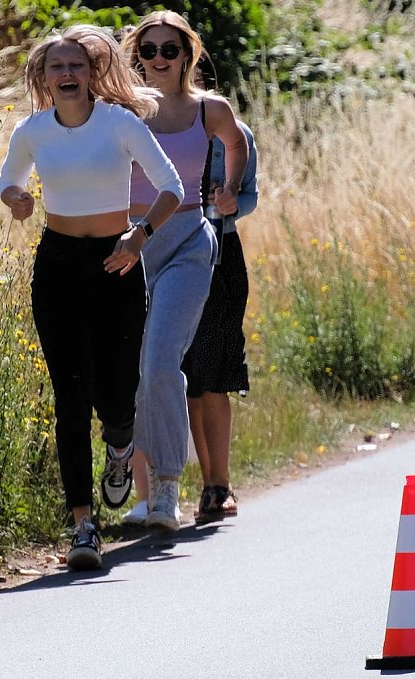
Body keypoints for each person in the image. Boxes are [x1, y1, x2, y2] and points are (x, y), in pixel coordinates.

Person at [0, 25, 183, 570]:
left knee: (118, 392)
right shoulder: (32, 131)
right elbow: (8, 180)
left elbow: (170, 186)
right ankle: (84, 527)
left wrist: (140, 235)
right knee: (70, 396)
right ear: (43, 77)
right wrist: (17, 199)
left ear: (92, 72)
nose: (67, 74)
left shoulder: (120, 123)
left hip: (117, 261)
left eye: (76, 65)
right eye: (57, 67)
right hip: (58, 265)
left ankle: (121, 447)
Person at [118, 12, 248, 532]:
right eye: (148, 51)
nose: (158, 61)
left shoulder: (208, 109)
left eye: (169, 50)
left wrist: (230, 187)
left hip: (189, 241)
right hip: (129, 245)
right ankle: (146, 494)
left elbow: (236, 142)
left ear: (187, 56)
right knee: (131, 370)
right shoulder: (124, 109)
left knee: (160, 360)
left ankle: (169, 490)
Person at [183, 69, 259, 523]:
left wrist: (232, 202)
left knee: (213, 374)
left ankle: (219, 485)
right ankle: (187, 486)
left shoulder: (237, 135)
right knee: (185, 376)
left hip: (222, 256)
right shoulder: (153, 126)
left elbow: (248, 196)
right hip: (168, 256)